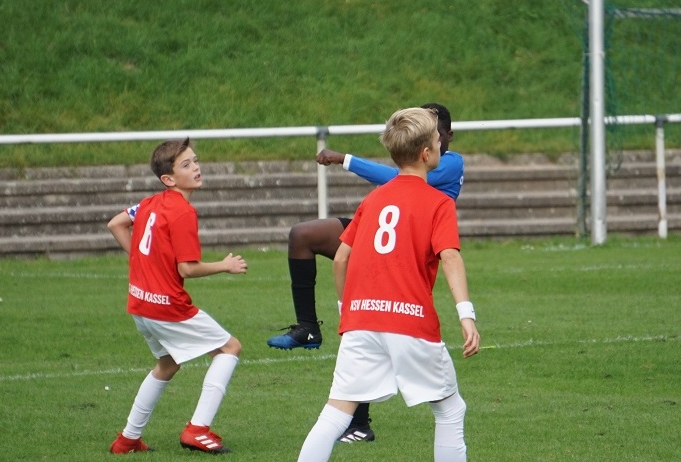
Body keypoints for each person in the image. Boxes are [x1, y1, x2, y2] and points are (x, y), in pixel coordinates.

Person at [267, 102, 464, 443]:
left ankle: (358, 423)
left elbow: (399, 180)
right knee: (303, 235)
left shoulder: (448, 164)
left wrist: (345, 159)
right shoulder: (407, 195)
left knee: (339, 400)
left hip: (397, 258)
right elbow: (445, 250)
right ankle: (308, 328)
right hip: (394, 254)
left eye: (436, 131)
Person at [106, 138, 248, 455]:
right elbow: (187, 268)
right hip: (166, 306)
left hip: (139, 303)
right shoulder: (183, 212)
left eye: (195, 160)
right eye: (186, 165)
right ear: (168, 179)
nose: (196, 167)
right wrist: (224, 265)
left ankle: (128, 439)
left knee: (167, 364)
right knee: (230, 348)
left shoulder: (148, 203)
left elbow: (116, 224)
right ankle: (197, 430)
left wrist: (140, 260)